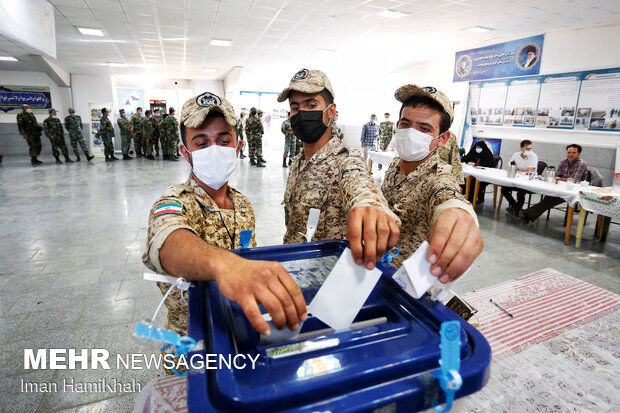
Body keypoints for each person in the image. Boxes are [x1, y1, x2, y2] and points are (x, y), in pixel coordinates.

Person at [142, 92, 306, 373]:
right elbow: (169, 241)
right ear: (186, 152)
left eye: (223, 140)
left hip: (240, 339)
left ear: (238, 145)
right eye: (202, 143)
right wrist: (224, 265)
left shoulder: (241, 203)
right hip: (193, 351)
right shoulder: (175, 201)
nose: (214, 149)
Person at [278, 68, 400, 269]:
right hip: (294, 267)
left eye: (311, 105)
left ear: (331, 112)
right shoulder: (298, 160)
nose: (302, 114)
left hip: (328, 278)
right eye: (295, 108)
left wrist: (370, 207)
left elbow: (360, 184)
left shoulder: (346, 159)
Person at [381, 84, 483, 279]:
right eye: (405, 124)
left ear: (442, 139)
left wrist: (459, 214)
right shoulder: (396, 165)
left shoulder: (439, 178)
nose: (411, 132)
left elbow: (447, 196)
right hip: (378, 269)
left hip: (409, 284)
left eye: (424, 128)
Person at [522, 144, 587, 222]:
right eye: (569, 152)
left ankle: (526, 214)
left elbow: (573, 180)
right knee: (548, 196)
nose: (570, 155)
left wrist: (559, 179)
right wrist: (560, 179)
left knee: (550, 199)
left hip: (572, 191)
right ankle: (528, 215)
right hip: (560, 187)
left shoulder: (581, 164)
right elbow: (556, 176)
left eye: (573, 153)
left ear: (579, 154)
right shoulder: (563, 162)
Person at [501, 139, 538, 215]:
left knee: (521, 192)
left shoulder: (533, 156)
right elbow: (508, 168)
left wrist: (517, 170)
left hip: (528, 181)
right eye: (527, 149)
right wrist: (517, 170)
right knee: (504, 189)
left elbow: (529, 171)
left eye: (531, 148)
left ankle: (516, 208)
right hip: (516, 179)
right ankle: (516, 206)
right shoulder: (516, 155)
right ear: (521, 149)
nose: (529, 150)